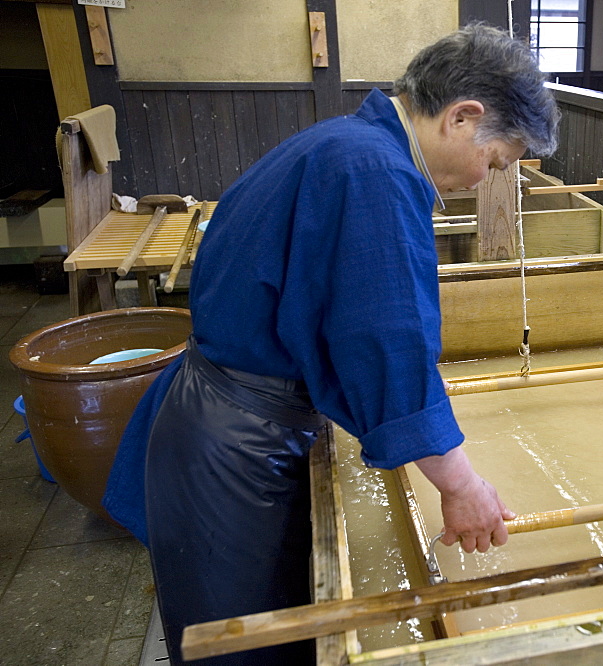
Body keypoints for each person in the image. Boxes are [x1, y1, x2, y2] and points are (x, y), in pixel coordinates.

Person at [101, 23, 559, 665]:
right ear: (463, 117)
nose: (485, 179)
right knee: (247, 645)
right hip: (238, 446)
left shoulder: (346, 144)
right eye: (496, 161)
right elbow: (384, 342)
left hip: (216, 412)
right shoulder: (375, 173)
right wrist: (460, 484)